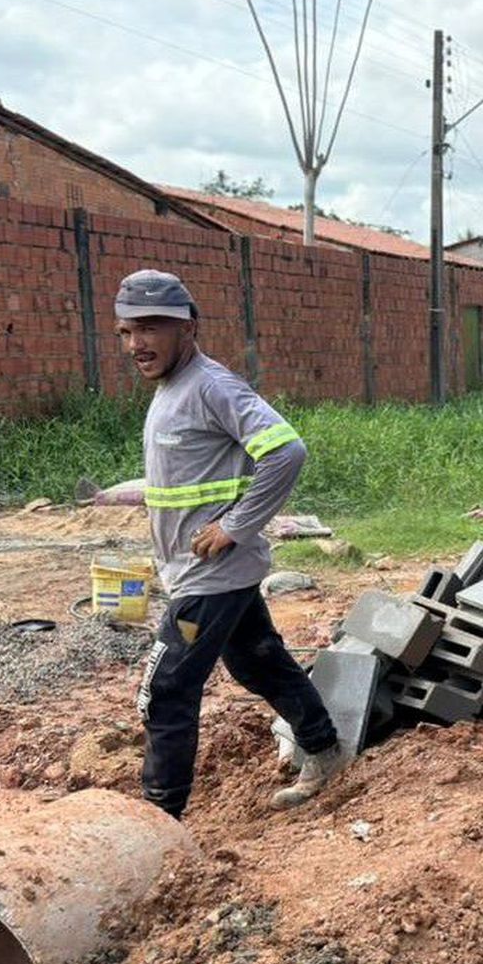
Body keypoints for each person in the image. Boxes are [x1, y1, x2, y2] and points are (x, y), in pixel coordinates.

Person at [118, 269, 349, 817]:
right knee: (258, 663)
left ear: (188, 328)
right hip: (204, 571)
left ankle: (160, 820)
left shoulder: (212, 386)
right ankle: (323, 749)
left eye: (151, 328)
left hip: (212, 576)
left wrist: (235, 526)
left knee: (168, 689)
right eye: (127, 331)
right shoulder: (174, 388)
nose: (136, 344)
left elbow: (286, 451)